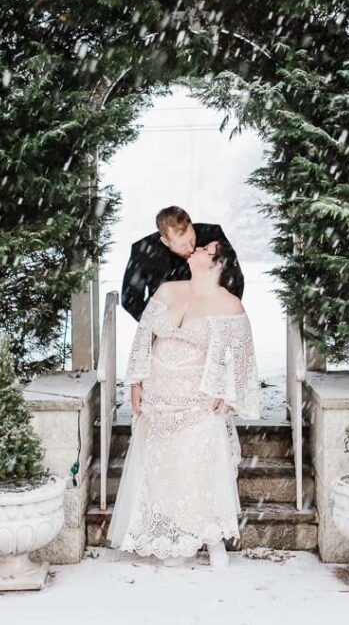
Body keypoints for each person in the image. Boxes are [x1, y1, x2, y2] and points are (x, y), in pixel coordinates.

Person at [106, 239, 261, 569]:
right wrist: (135, 381)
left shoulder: (228, 305)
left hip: (197, 399)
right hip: (160, 396)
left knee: (200, 465)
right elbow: (143, 338)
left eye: (206, 250)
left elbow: (245, 358)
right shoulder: (167, 291)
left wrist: (228, 390)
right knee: (164, 466)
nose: (198, 250)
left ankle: (212, 537)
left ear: (217, 263)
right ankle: (173, 536)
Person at [120, 206, 244, 322]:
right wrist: (158, 326)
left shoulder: (213, 234)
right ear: (165, 241)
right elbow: (130, 300)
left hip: (211, 324)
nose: (191, 248)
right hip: (165, 329)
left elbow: (234, 279)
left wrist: (221, 318)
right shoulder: (143, 251)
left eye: (191, 239)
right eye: (182, 245)